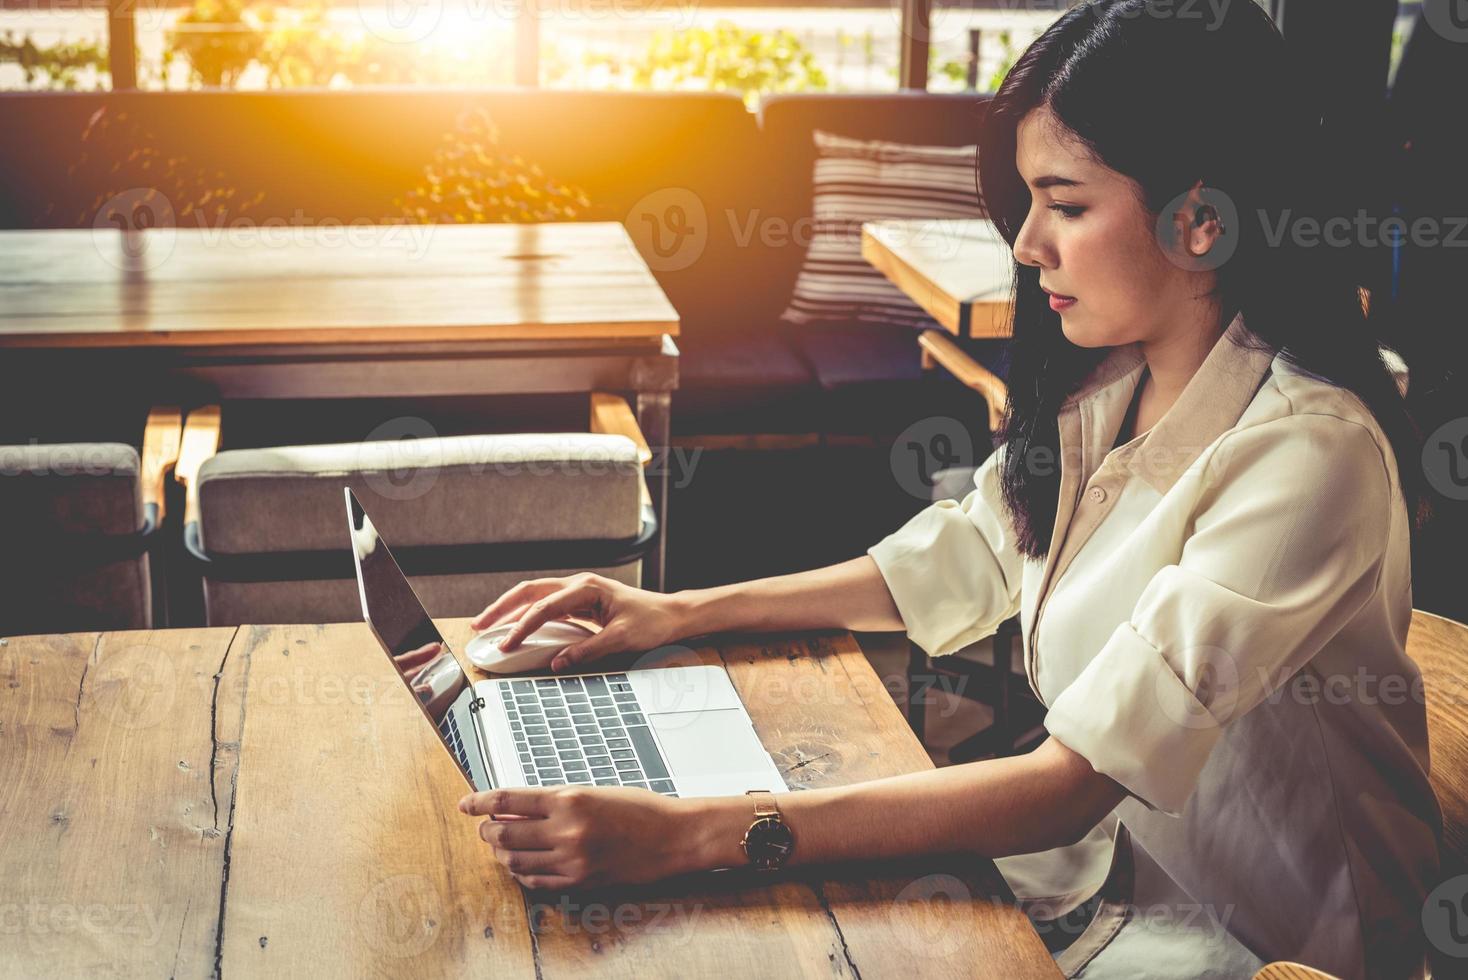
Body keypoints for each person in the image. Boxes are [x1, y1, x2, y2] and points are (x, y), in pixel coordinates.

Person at [457, 2, 1441, 976]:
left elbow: (1066, 786)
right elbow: (970, 548)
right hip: (1107, 880)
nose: (1026, 246)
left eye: (1066, 203)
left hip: (1268, 943)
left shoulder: (1309, 454)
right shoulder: (1112, 376)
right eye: (1027, 204)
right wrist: (674, 611)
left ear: (1199, 219)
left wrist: (691, 833)